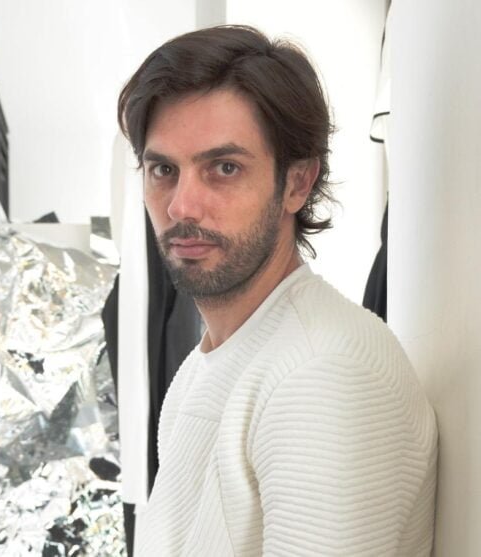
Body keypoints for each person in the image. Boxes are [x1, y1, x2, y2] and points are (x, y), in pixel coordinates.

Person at [117, 25, 437, 556]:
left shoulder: (323, 373)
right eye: (163, 170)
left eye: (224, 168)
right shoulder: (206, 367)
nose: (181, 206)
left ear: (297, 183)